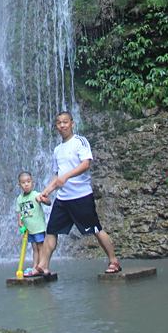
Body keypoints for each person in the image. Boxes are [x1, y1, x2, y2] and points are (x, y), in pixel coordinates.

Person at [34, 111, 121, 275]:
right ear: (56, 127)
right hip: (63, 198)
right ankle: (43, 266)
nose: (62, 125)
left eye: (65, 122)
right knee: (51, 231)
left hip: (81, 196)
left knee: (95, 229)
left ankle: (113, 261)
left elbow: (86, 164)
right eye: (59, 123)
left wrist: (66, 176)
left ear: (72, 123)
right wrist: (46, 192)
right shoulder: (57, 150)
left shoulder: (80, 141)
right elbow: (56, 175)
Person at [16, 171, 51, 273]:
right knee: (34, 248)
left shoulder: (36, 194)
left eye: (28, 181)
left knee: (41, 247)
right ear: (19, 185)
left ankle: (42, 266)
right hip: (29, 230)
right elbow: (19, 212)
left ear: (32, 182)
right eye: (23, 182)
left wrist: (43, 200)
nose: (26, 184)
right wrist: (20, 222)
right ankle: (35, 266)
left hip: (39, 228)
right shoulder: (19, 199)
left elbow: (49, 202)